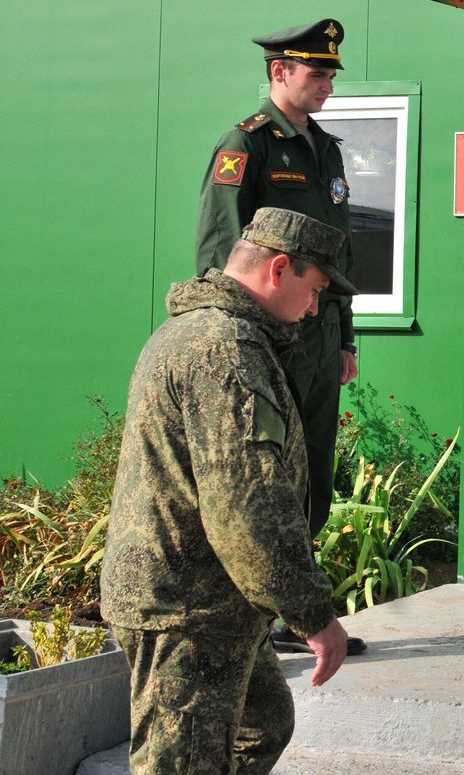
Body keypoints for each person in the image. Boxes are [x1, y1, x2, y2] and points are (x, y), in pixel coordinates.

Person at [101, 207, 355, 774]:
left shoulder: (211, 333)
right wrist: (313, 615)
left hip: (208, 597)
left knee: (262, 722)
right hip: (187, 611)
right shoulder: (225, 351)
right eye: (313, 290)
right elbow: (246, 503)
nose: (314, 308)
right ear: (279, 269)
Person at [194, 18, 364, 655]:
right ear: (278, 72)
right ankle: (254, 616)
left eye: (329, 75)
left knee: (312, 468)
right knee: (264, 471)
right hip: (266, 341)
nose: (325, 85)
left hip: (318, 339)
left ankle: (297, 612)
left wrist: (345, 338)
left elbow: (335, 257)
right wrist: (235, 337)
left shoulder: (327, 149)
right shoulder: (247, 146)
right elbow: (219, 249)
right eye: (315, 73)